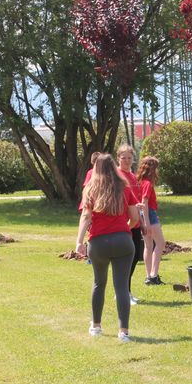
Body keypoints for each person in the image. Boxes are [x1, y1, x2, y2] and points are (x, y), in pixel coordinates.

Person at [75, 153, 143, 343]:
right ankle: (124, 332)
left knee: (99, 283)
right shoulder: (124, 187)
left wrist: (79, 241)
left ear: (96, 168)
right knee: (121, 286)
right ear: (114, 166)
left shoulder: (91, 189)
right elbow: (135, 217)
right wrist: (124, 229)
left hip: (98, 242)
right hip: (123, 241)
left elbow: (86, 216)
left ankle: (96, 326)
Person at [116, 144, 148, 303]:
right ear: (118, 158)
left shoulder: (133, 177)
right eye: (124, 158)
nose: (127, 161)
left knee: (134, 257)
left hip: (134, 223)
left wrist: (142, 221)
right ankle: (123, 294)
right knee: (125, 260)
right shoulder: (117, 176)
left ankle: (126, 292)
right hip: (123, 223)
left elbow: (136, 201)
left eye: (129, 158)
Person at [137, 156, 166, 285]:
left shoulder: (139, 182)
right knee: (160, 243)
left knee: (148, 246)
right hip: (149, 215)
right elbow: (145, 203)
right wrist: (147, 223)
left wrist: (143, 221)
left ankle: (149, 276)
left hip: (142, 215)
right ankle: (154, 275)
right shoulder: (148, 184)